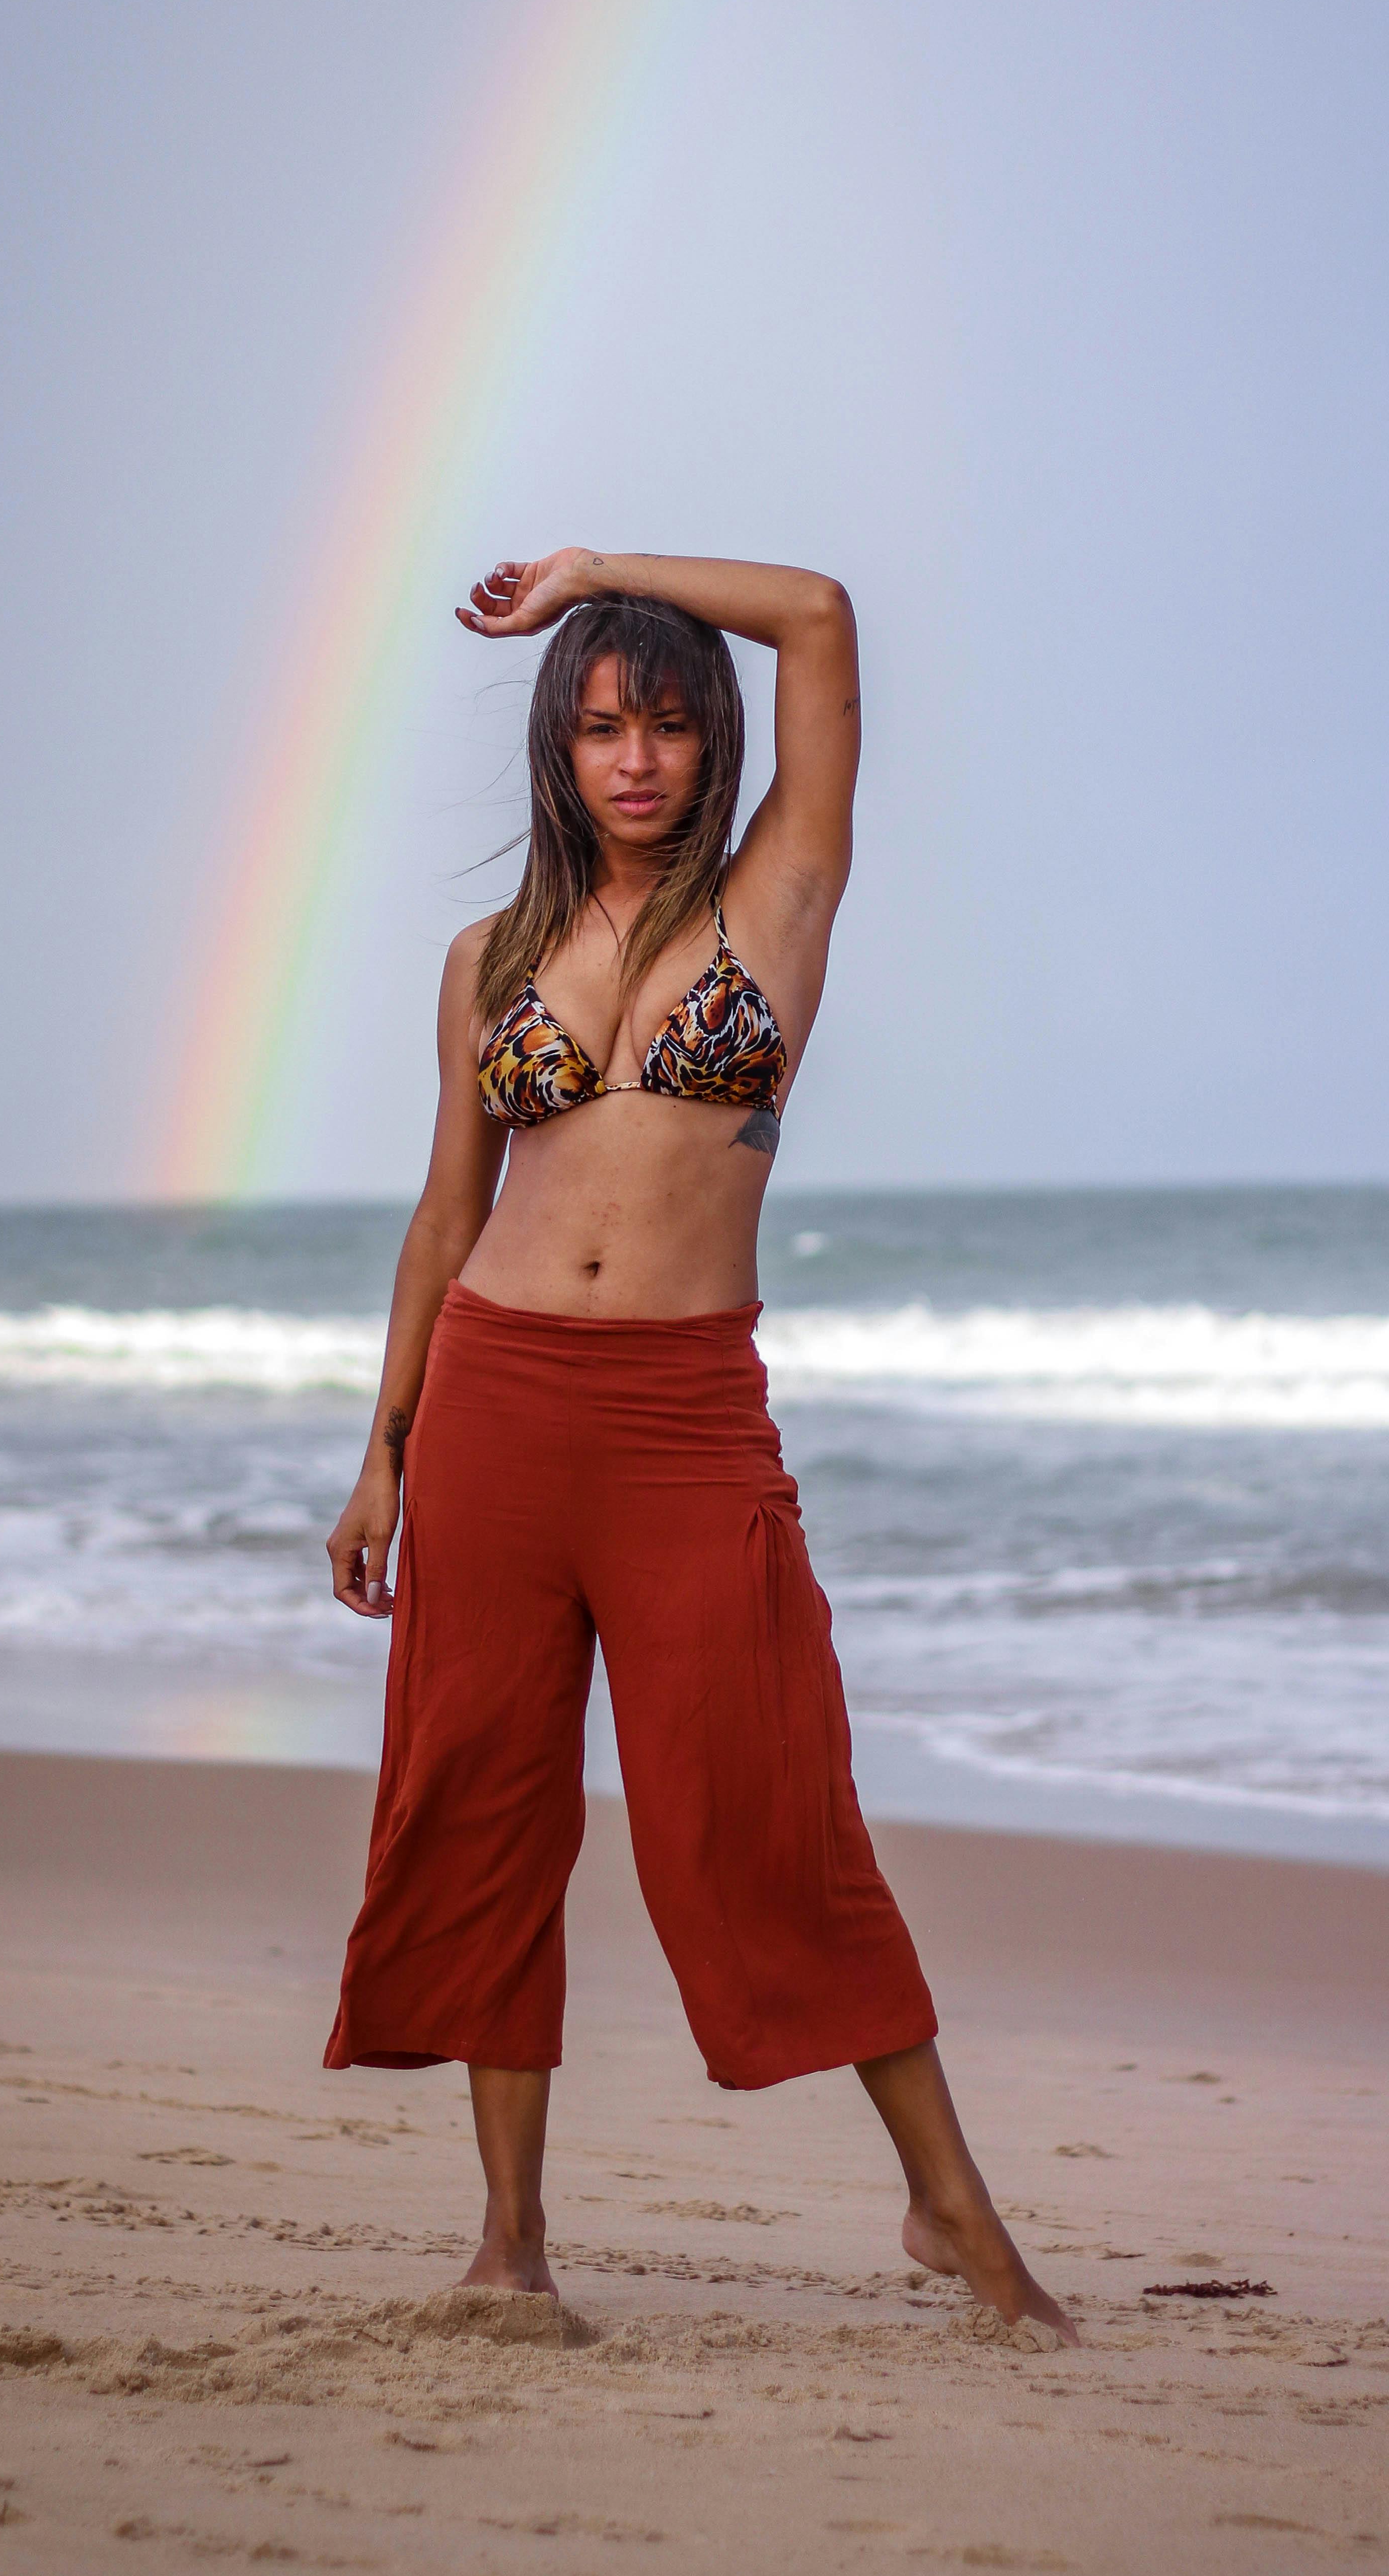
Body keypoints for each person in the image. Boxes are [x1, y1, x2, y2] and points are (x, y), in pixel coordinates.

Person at [323, 547, 1076, 2346]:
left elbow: (820, 610)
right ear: (556, 753)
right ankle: (510, 2243)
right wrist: (385, 1456)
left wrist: (590, 569)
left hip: (682, 1419)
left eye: (664, 721)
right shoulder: (485, 959)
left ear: (710, 737)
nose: (635, 758)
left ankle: (946, 2205)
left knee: (764, 1814)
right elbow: (446, 1218)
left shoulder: (779, 904)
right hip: (499, 1406)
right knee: (485, 1811)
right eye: (599, 727)